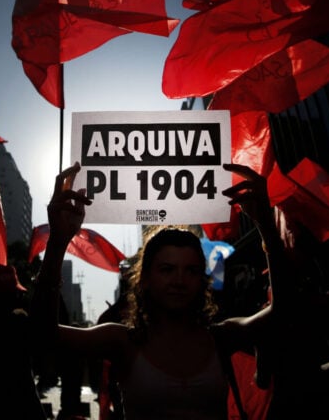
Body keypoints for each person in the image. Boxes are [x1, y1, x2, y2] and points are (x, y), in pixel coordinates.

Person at [32, 162, 291, 420]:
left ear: (202, 280)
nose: (179, 280)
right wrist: (57, 241)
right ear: (144, 279)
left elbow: (284, 312)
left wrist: (267, 227)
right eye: (167, 269)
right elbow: (43, 333)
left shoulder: (221, 339)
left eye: (190, 270)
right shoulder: (123, 341)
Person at [0, 264, 46, 420]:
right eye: (14, 292)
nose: (18, 296)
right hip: (23, 405)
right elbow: (44, 341)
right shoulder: (19, 321)